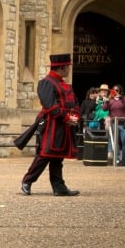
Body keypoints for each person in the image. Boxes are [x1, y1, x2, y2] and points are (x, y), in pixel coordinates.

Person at [20, 53, 80, 197]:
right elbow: (50, 105)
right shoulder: (46, 83)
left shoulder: (65, 85)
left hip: (64, 125)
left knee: (58, 157)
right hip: (51, 124)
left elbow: (75, 103)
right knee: (45, 154)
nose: (69, 70)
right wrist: (66, 117)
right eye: (68, 67)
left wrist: (75, 116)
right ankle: (27, 181)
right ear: (63, 67)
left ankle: (59, 187)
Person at [102, 84, 125, 164]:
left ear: (120, 91)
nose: (115, 92)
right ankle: (115, 158)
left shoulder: (123, 100)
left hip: (123, 123)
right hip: (114, 123)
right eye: (114, 90)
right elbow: (104, 109)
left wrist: (120, 97)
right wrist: (107, 101)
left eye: (117, 90)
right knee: (114, 141)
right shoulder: (110, 100)